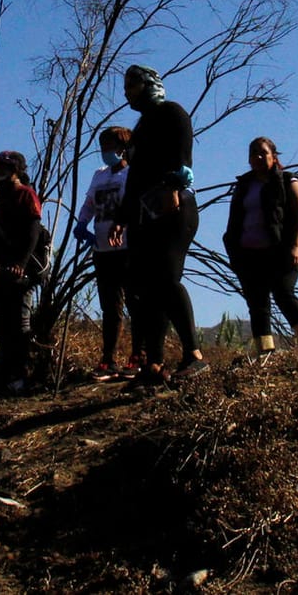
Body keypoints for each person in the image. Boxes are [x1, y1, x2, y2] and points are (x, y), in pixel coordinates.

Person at [115, 65, 208, 384]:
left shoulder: (172, 113)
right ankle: (153, 364)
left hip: (175, 207)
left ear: (150, 84)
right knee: (145, 289)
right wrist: (121, 219)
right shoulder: (139, 129)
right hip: (144, 215)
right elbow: (134, 180)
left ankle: (194, 356)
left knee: (167, 279)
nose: (127, 91)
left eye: (132, 84)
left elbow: (182, 156)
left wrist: (173, 188)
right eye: (126, 86)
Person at [222, 136, 298, 357]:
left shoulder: (288, 181)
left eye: (262, 152)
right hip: (248, 255)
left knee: (283, 292)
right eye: (253, 153)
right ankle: (265, 352)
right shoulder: (244, 185)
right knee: (257, 303)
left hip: (281, 251)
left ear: (273, 156)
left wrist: (295, 245)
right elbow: (234, 220)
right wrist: (233, 251)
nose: (257, 157)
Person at [0, 150, 46, 393]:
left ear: (15, 171)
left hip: (20, 271)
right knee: (3, 324)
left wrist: (21, 264)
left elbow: (32, 232)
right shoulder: (0, 201)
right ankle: (8, 374)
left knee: (20, 323)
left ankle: (24, 375)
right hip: (1, 269)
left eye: (2, 168)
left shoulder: (25, 195)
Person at [74, 126, 142, 380]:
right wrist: (82, 223)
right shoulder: (99, 175)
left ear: (122, 147)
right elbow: (89, 203)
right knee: (110, 307)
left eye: (109, 146)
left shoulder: (132, 174)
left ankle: (139, 355)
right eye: (102, 146)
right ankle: (108, 359)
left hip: (127, 246)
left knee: (135, 303)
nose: (105, 151)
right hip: (102, 248)